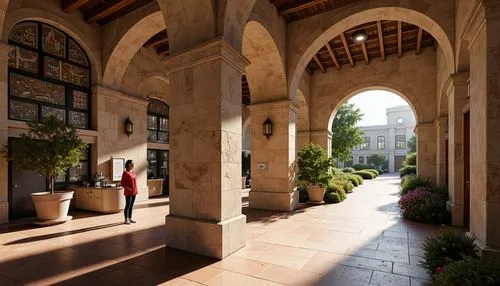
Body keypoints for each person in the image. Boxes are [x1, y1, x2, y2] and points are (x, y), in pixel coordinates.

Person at [121, 160, 138, 224]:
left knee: (131, 205)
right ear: (128, 164)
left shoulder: (133, 172)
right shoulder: (125, 173)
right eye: (132, 164)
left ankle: (130, 218)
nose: (133, 165)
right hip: (128, 192)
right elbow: (122, 183)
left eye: (133, 163)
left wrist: (135, 190)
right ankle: (126, 219)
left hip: (134, 191)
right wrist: (128, 188)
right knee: (128, 205)